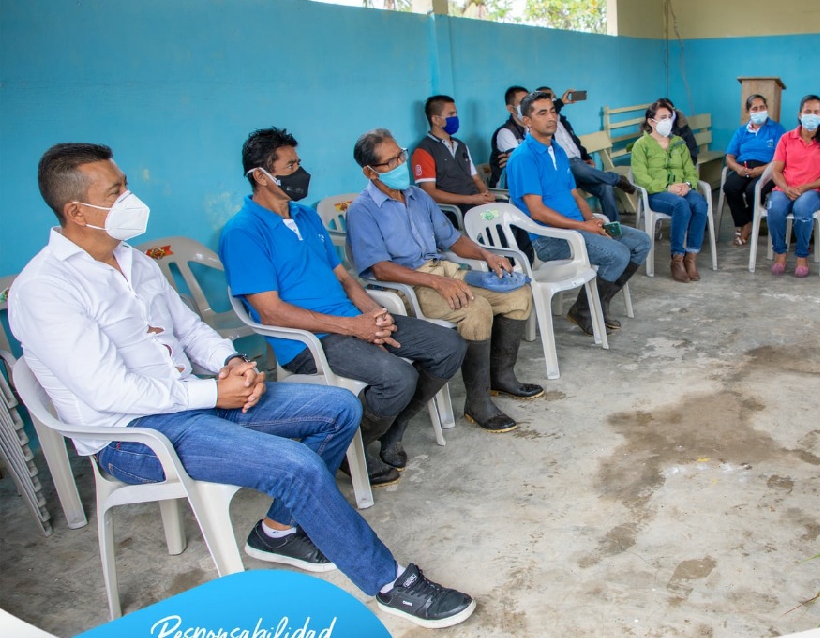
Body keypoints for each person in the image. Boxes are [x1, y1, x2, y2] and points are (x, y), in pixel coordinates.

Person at [11, 143, 475, 629]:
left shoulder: (134, 262)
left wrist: (232, 364)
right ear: (77, 211)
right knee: (293, 465)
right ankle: (388, 582)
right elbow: (107, 392)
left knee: (338, 406)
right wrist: (213, 394)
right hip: (133, 434)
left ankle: (275, 531)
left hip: (192, 399)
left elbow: (189, 330)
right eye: (117, 190)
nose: (131, 197)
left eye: (125, 183)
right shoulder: (47, 287)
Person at [219, 128, 466, 484]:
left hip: (351, 321)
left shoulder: (305, 216)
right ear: (260, 175)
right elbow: (271, 312)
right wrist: (353, 328)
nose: (300, 173)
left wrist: (371, 314)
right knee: (399, 377)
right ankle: (350, 448)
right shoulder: (243, 232)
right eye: (290, 166)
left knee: (447, 346)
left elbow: (346, 278)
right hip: (309, 339)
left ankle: (390, 428)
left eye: (299, 163)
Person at [347, 127, 543, 436]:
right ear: (371, 172)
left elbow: (451, 239)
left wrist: (487, 255)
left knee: (518, 294)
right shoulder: (363, 210)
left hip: (443, 271)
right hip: (407, 287)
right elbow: (380, 268)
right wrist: (436, 283)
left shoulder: (417, 196)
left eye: (401, 155)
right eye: (391, 161)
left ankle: (501, 377)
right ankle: (477, 404)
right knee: (476, 308)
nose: (401, 164)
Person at [505, 90, 651, 335]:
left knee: (641, 242)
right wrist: (584, 228)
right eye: (542, 113)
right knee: (617, 253)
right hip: (550, 239)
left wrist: (591, 220)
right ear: (527, 121)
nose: (551, 117)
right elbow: (537, 211)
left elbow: (575, 195)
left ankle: (592, 304)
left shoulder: (558, 150)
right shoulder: (523, 158)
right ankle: (588, 310)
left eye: (553, 111)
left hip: (577, 229)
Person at [631, 99, 710, 283]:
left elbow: (690, 170)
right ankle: (677, 259)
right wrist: (668, 187)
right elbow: (642, 178)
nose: (668, 121)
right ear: (651, 121)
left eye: (669, 117)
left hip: (682, 189)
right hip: (657, 193)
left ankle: (691, 257)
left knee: (699, 204)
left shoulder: (679, 143)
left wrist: (688, 185)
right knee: (681, 206)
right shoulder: (641, 145)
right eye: (663, 117)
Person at [534, 86, 636, 223]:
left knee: (605, 187)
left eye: (552, 96)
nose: (551, 100)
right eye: (546, 97)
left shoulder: (563, 120)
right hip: (565, 170)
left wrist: (586, 156)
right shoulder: (543, 126)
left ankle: (614, 227)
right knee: (576, 166)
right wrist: (561, 103)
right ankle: (616, 179)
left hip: (579, 166)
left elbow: (574, 142)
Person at [766, 95, 820, 278]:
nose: (811, 115)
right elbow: (776, 171)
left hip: (812, 190)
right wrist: (786, 187)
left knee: (802, 209)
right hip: (785, 188)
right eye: (808, 112)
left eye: (816, 112)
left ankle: (801, 255)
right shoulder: (786, 138)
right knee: (774, 209)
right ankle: (780, 253)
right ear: (800, 115)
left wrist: (806, 187)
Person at [411, 95, 500, 217]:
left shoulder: (461, 146)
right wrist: (472, 199)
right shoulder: (424, 150)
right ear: (436, 120)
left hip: (476, 204)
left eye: (456, 114)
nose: (456, 118)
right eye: (451, 114)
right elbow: (429, 192)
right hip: (454, 210)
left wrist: (486, 195)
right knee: (490, 223)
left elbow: (476, 178)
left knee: (507, 214)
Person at [722, 94, 786, 247]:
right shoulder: (741, 131)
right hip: (743, 167)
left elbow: (781, 157)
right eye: (755, 108)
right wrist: (738, 169)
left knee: (754, 190)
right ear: (748, 111)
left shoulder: (777, 129)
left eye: (762, 107)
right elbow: (730, 156)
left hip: (768, 168)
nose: (759, 111)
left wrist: (762, 170)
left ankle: (748, 225)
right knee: (730, 187)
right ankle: (745, 222)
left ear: (767, 109)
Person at [488, 85, 529, 188]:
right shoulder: (505, 132)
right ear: (511, 108)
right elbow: (521, 166)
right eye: (522, 102)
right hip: (507, 192)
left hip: (527, 186)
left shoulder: (532, 129)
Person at [658, 97, 700, 165]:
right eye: (663, 115)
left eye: (670, 113)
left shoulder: (684, 130)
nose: (667, 118)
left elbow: (692, 156)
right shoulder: (650, 133)